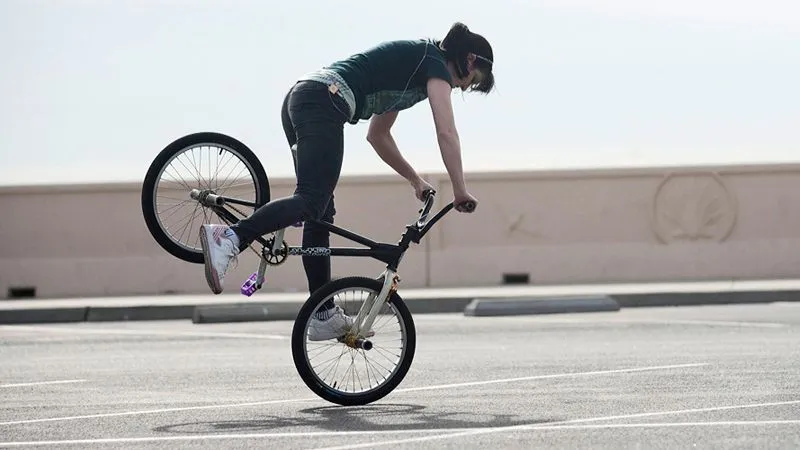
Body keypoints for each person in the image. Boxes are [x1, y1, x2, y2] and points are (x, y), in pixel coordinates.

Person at [199, 22, 495, 340]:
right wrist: (460, 189)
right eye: (472, 81)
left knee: (319, 212)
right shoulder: (434, 64)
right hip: (323, 100)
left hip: (305, 97)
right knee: (312, 199)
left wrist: (414, 180)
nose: (464, 88)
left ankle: (322, 312)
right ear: (469, 60)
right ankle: (230, 238)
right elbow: (446, 132)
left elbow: (377, 135)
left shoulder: (414, 70)